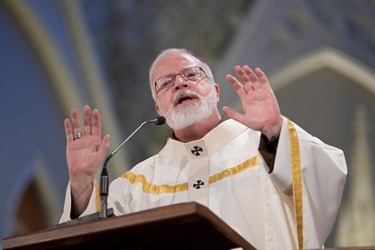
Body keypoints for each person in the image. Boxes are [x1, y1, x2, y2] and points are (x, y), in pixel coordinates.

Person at [60, 48, 347, 249]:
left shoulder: (266, 146)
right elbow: (88, 240)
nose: (180, 84)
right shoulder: (139, 184)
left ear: (216, 90)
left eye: (191, 74)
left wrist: (274, 131)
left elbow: (321, 180)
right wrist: (82, 183)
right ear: (158, 108)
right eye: (166, 83)